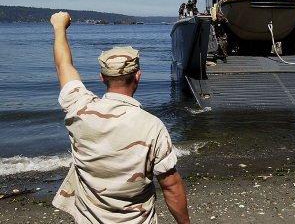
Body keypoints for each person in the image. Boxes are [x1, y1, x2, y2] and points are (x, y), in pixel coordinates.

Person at [50, 12, 190, 224]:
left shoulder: (79, 109)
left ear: (102, 78)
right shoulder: (153, 127)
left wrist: (59, 27)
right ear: (138, 76)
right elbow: (171, 187)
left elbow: (63, 67)